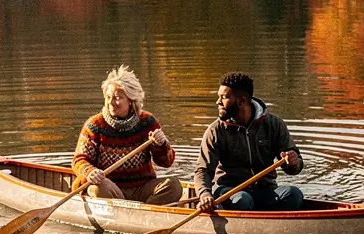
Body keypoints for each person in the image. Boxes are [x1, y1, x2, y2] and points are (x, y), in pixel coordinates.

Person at [194, 72, 304, 212]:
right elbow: (202, 170)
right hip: (229, 191)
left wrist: (293, 162)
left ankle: (266, 222)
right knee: (243, 200)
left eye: (224, 97)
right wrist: (204, 194)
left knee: (294, 195)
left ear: (241, 101)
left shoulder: (274, 124)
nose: (218, 102)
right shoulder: (216, 130)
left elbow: (296, 166)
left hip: (265, 190)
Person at [73, 65, 182, 205]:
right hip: (110, 188)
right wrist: (90, 172)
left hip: (142, 188)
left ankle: (145, 213)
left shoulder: (148, 122)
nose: (111, 102)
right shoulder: (94, 125)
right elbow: (79, 160)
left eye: (117, 98)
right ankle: (135, 214)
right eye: (108, 97)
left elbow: (166, 163)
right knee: (99, 188)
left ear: (131, 100)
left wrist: (161, 145)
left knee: (174, 185)